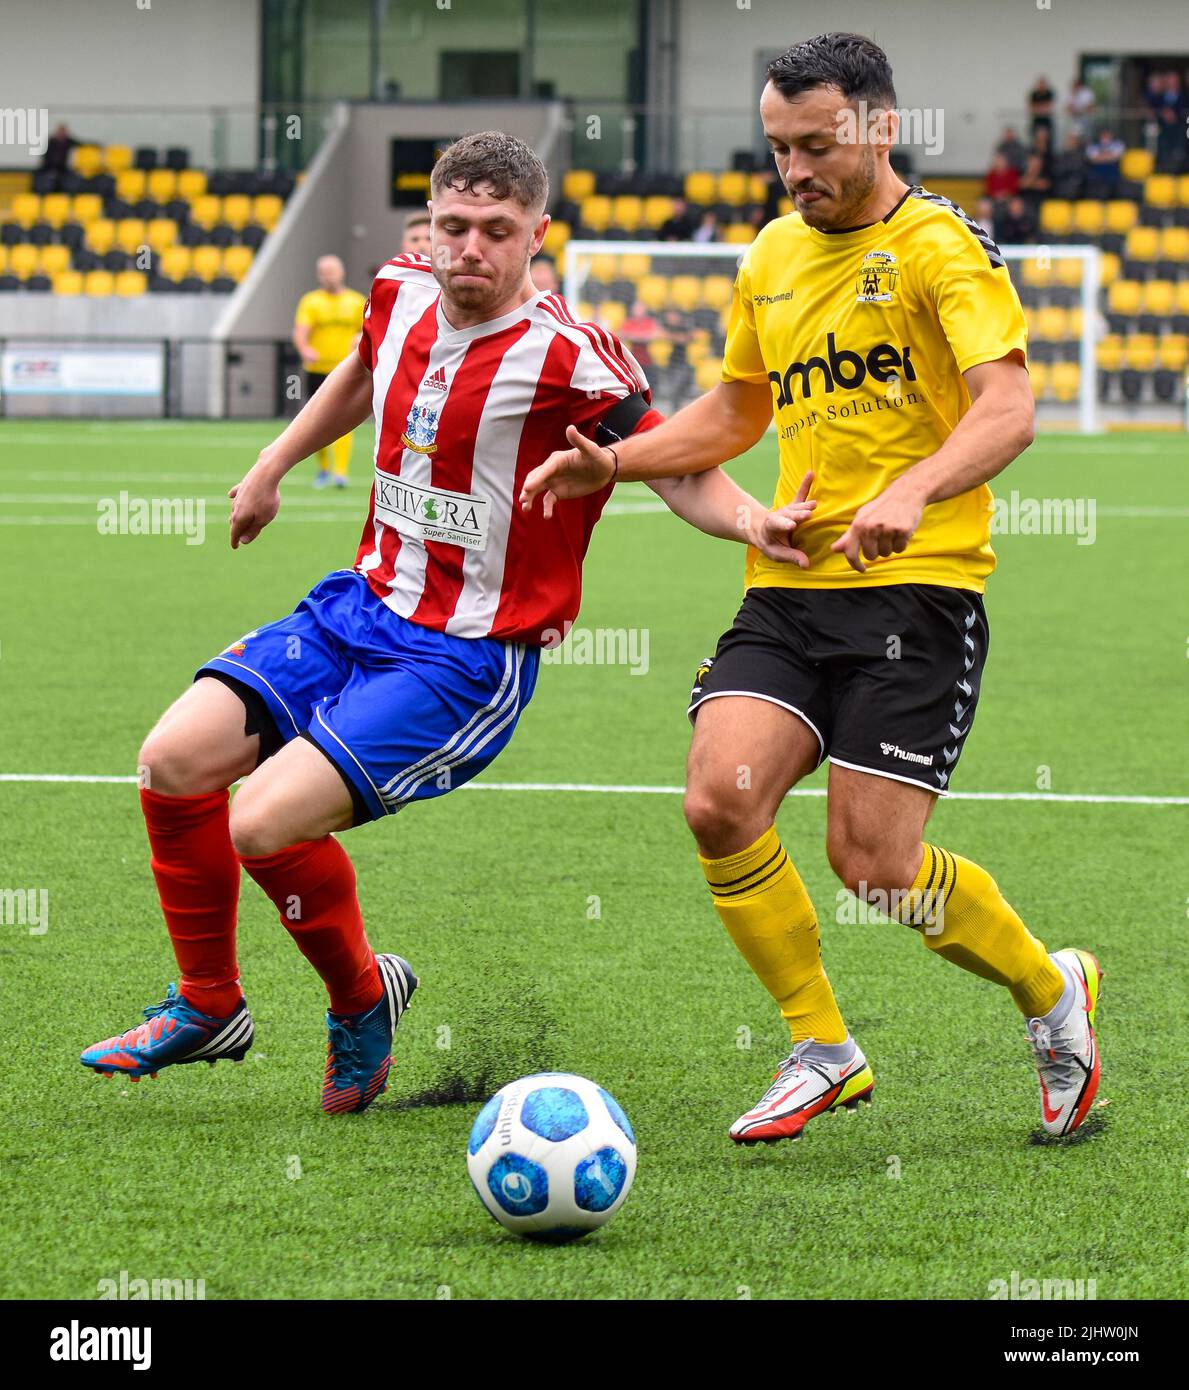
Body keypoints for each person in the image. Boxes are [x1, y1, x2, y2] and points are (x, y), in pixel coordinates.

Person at [78, 131, 812, 1114]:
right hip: (358, 604)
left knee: (260, 819)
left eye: (495, 232)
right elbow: (359, 370)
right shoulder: (397, 288)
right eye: (451, 227)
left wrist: (753, 520)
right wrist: (272, 464)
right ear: (425, 229)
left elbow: (678, 464)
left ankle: (362, 995)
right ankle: (210, 1002)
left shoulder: (569, 355)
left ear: (534, 237)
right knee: (171, 759)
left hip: (466, 655)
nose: (468, 248)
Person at [522, 32, 1103, 1143]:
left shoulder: (941, 248)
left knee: (874, 866)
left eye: (817, 145)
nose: (795, 170)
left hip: (916, 591)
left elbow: (1008, 406)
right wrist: (618, 458)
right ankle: (820, 1046)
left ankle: (1049, 992)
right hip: (786, 587)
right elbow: (735, 414)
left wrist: (914, 489)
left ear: (881, 127)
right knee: (717, 798)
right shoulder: (771, 254)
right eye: (779, 147)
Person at [292, 255, 366, 488]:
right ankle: (323, 469)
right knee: (316, 422)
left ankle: (340, 472)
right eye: (324, 271)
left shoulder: (357, 301)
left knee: (345, 419)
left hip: (346, 370)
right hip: (317, 369)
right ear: (318, 275)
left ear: (341, 272)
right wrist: (305, 349)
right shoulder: (311, 302)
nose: (329, 276)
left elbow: (369, 330)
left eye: (332, 271)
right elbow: (300, 331)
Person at [1085, 127, 1125, 197]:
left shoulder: (1118, 144)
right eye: (1104, 135)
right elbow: (1092, 159)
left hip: (1112, 174)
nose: (1106, 137)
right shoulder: (1093, 145)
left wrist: (1100, 157)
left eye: (1107, 134)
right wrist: (1109, 156)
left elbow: (1116, 157)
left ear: (1111, 135)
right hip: (1097, 173)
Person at [1051, 132, 1087, 200]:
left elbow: (1080, 171)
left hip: (1076, 189)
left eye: (1073, 141)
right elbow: (1056, 170)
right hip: (1062, 188)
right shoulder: (1061, 156)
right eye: (1069, 141)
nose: (1070, 143)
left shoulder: (1081, 157)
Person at [1065, 76, 1096, 141]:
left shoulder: (1087, 93)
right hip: (1075, 119)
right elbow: (1068, 107)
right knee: (1074, 137)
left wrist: (1079, 110)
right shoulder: (1070, 93)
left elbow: (1091, 107)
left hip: (1086, 119)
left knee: (1087, 137)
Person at [1028, 75, 1056, 140]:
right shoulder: (1034, 94)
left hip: (1046, 120)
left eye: (1043, 84)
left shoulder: (1049, 93)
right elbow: (1031, 107)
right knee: (1035, 137)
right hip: (1036, 120)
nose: (1041, 85)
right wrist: (1041, 107)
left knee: (1048, 138)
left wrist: (1039, 107)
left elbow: (1049, 107)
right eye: (1040, 84)